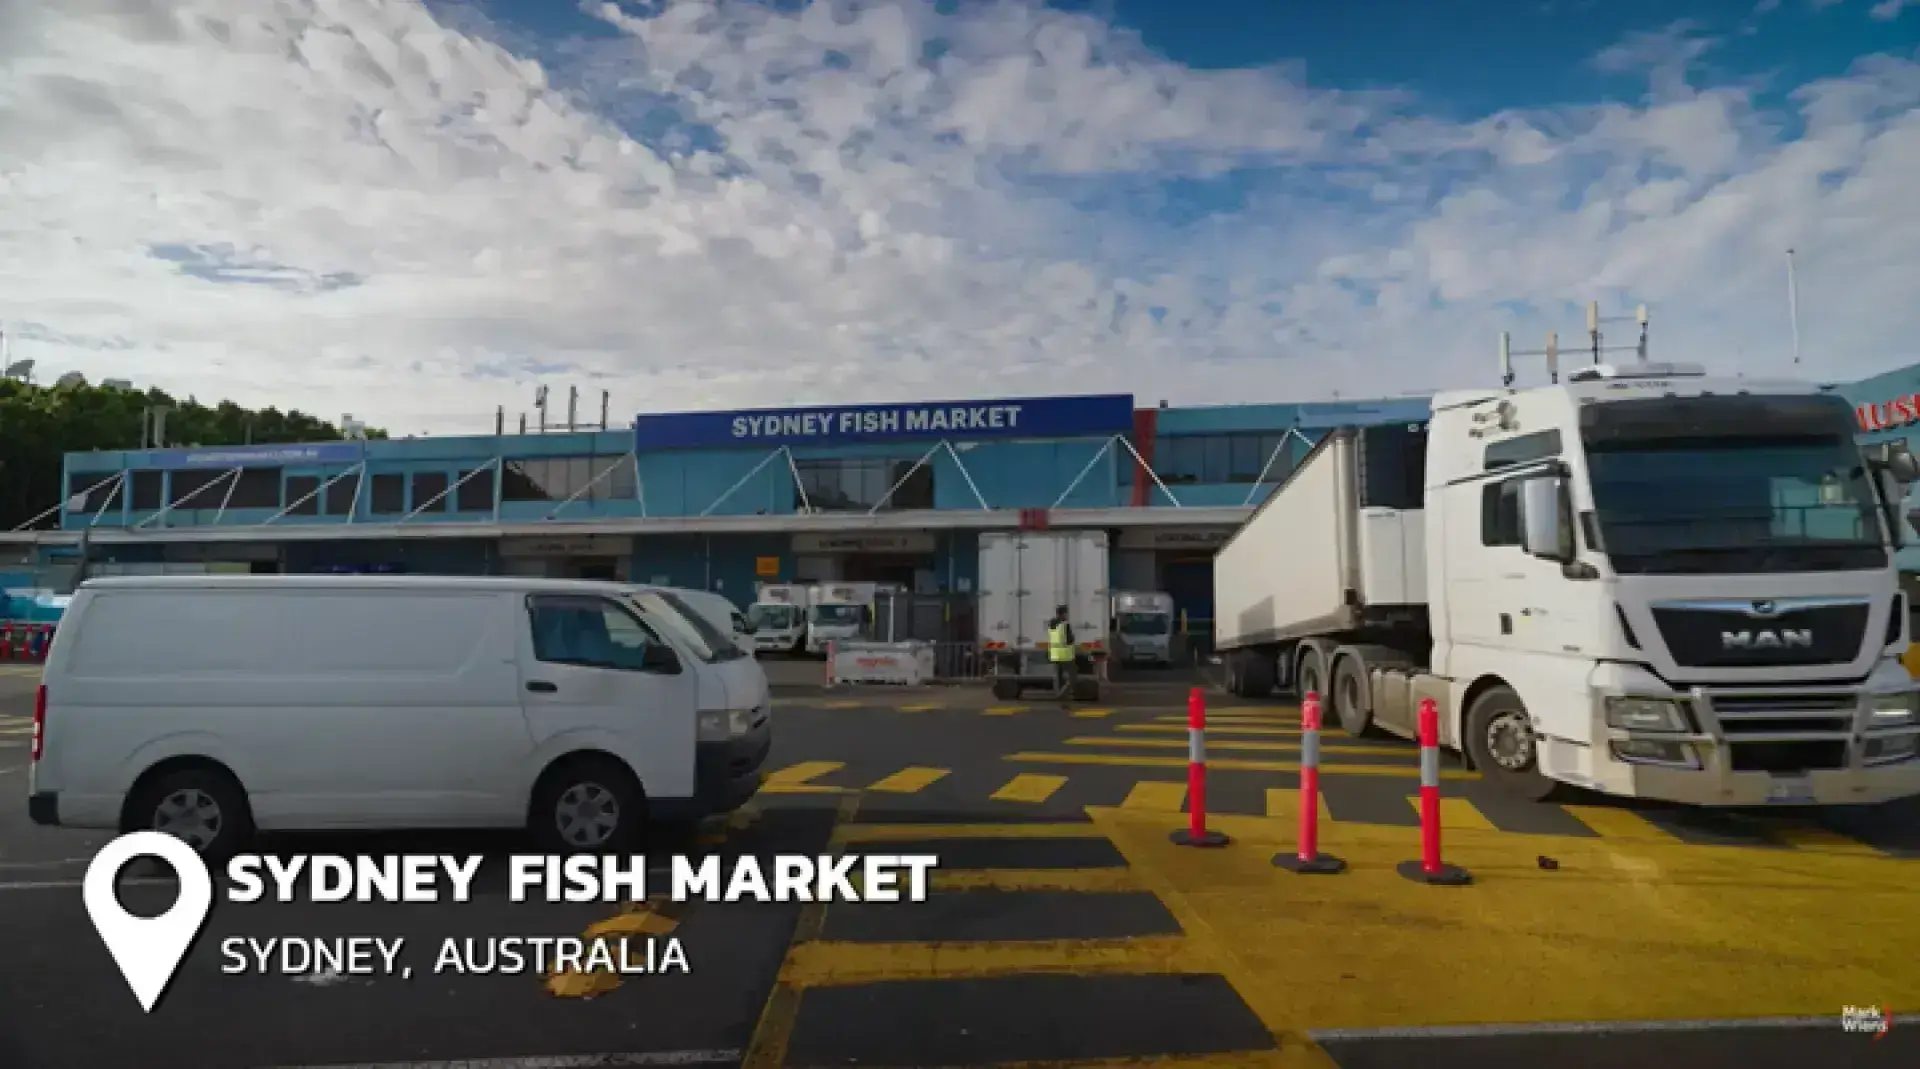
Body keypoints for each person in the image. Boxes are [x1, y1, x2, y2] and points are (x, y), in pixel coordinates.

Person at [1047, 604, 1077, 708]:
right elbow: (1070, 639)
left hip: (1055, 654)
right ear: (1063, 614)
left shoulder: (1052, 623)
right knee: (1073, 678)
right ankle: (1062, 695)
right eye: (1066, 613)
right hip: (1065, 654)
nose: (1067, 615)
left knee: (1059, 677)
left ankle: (1061, 694)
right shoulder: (1065, 625)